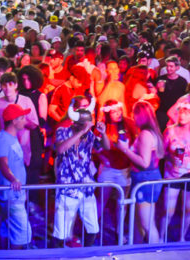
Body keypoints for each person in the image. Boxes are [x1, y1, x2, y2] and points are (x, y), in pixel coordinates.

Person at [52, 95, 105, 248]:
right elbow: (61, 149)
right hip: (67, 188)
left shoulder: (89, 135)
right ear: (76, 121)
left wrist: (104, 133)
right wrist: (81, 132)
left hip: (86, 187)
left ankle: (86, 255)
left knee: (92, 227)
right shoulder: (63, 131)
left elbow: (104, 148)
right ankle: (57, 257)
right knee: (61, 231)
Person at [116, 100, 163, 244]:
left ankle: (156, 252)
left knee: (146, 224)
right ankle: (138, 248)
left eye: (134, 113)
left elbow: (144, 162)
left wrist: (124, 149)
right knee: (141, 220)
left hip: (145, 181)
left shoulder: (145, 135)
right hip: (148, 179)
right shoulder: (152, 132)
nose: (132, 116)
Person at [162, 101, 190, 242]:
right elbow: (162, 152)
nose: (182, 115)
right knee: (168, 210)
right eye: (181, 112)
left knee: (188, 210)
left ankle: (182, 238)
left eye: (186, 112)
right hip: (172, 174)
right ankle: (161, 238)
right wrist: (171, 156)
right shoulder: (169, 131)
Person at [0, 103, 32, 249]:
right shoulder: (3, 139)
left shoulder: (11, 138)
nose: (25, 120)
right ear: (14, 121)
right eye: (22, 118)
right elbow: (3, 164)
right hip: (11, 195)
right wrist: (13, 179)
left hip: (14, 194)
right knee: (23, 234)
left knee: (7, 230)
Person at [97, 99, 136, 236]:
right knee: (101, 200)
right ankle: (92, 230)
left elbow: (137, 141)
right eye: (114, 112)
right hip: (107, 169)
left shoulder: (128, 123)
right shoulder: (102, 127)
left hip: (124, 170)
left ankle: (120, 230)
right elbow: (94, 148)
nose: (118, 114)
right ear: (108, 113)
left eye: (119, 110)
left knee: (122, 202)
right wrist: (102, 158)